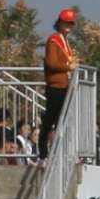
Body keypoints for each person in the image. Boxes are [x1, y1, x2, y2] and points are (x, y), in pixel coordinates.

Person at [37, 8, 78, 154]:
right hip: (55, 86)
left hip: (64, 85)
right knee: (51, 118)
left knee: (61, 119)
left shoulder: (64, 41)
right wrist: (68, 66)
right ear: (59, 23)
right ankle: (42, 151)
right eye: (66, 22)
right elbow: (51, 63)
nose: (68, 26)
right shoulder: (53, 40)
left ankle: (57, 150)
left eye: (71, 23)